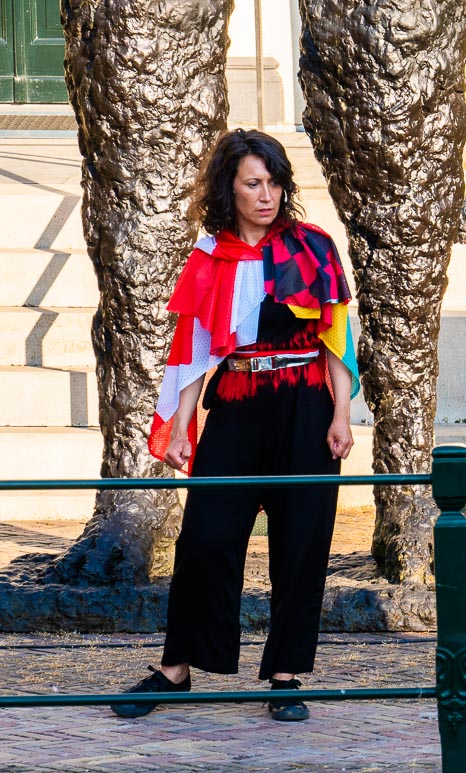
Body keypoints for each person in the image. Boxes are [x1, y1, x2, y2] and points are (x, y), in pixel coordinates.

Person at [111, 128, 359, 722]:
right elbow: (194, 350)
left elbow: (336, 339)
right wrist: (179, 427)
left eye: (274, 183)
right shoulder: (209, 257)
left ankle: (285, 676)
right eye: (253, 183)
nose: (266, 195)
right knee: (205, 538)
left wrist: (341, 414)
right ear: (230, 188)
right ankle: (177, 669)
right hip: (237, 404)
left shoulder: (313, 247)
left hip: (305, 406)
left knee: (301, 543)